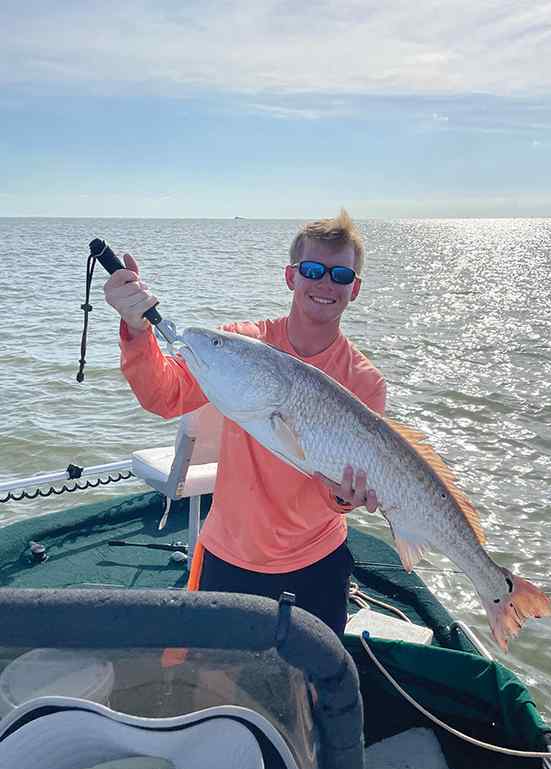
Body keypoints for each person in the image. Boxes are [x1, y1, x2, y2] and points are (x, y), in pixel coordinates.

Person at [104, 210, 386, 636]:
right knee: (214, 671)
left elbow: (339, 494)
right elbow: (165, 395)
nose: (326, 283)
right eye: (313, 270)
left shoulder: (365, 382)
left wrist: (346, 499)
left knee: (312, 674)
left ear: (355, 288)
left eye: (340, 275)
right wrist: (136, 328)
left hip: (317, 559)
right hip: (229, 555)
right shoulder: (240, 344)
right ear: (291, 276)